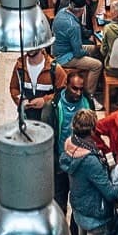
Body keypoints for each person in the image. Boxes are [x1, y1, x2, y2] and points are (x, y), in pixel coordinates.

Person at [42, 74, 94, 218]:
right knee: (59, 204)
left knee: (80, 206)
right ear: (66, 85)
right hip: (61, 163)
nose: (78, 93)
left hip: (82, 164)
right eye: (74, 88)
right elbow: (46, 136)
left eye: (80, 89)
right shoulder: (52, 106)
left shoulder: (87, 102)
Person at [52, 0, 104, 107]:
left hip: (58, 49)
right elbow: (78, 53)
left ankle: (99, 84)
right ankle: (89, 96)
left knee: (96, 49)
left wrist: (90, 51)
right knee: (97, 65)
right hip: (65, 56)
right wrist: (87, 53)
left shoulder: (62, 12)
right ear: (81, 10)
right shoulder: (73, 26)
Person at [8, 47, 67, 120]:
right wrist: (20, 101)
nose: (31, 46)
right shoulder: (19, 66)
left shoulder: (55, 68)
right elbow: (14, 88)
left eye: (35, 43)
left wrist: (44, 100)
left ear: (43, 46)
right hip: (26, 117)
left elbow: (63, 92)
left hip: (48, 119)